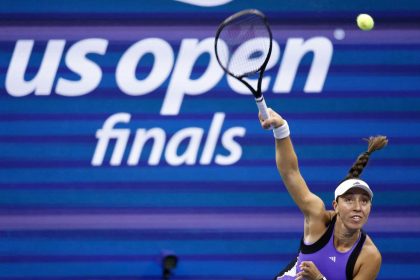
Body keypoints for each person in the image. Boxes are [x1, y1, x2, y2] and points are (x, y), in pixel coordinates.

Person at [259, 108, 388, 280]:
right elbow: (290, 172)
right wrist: (281, 128)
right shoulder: (317, 217)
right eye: (349, 200)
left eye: (364, 201)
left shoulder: (369, 257)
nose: (358, 207)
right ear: (336, 206)